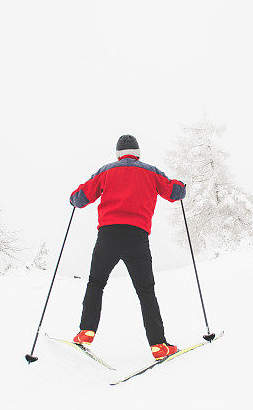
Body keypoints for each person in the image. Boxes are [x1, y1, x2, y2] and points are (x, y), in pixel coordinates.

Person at [69, 134, 186, 360]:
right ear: (138, 153)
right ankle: (158, 345)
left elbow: (81, 198)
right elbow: (174, 192)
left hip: (108, 236)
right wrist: (181, 186)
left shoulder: (106, 170)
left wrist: (73, 198)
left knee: (96, 283)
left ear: (117, 154)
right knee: (146, 292)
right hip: (137, 237)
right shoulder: (151, 172)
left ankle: (86, 331)